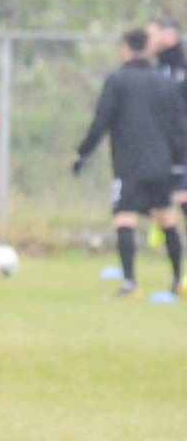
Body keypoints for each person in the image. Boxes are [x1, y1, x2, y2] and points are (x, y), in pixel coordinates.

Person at [74, 27, 187, 297]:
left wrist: (83, 153)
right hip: (162, 165)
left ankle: (130, 283)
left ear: (125, 49)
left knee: (124, 218)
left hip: (128, 165)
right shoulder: (164, 82)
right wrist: (178, 163)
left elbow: (101, 121)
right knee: (167, 219)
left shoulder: (117, 80)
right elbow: (179, 127)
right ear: (147, 48)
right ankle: (177, 280)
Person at [148, 17, 187, 230]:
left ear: (169, 35)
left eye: (154, 33)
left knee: (182, 193)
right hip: (161, 141)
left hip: (180, 140)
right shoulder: (155, 69)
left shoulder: (181, 67)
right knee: (160, 198)